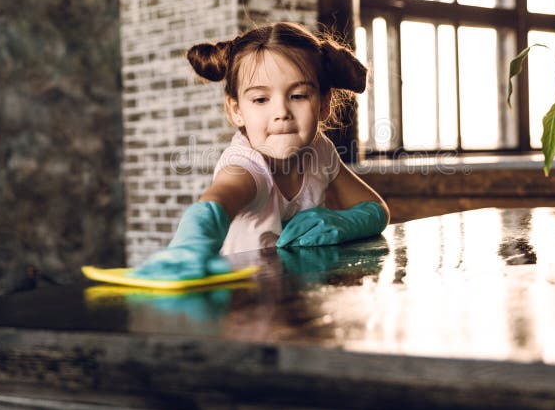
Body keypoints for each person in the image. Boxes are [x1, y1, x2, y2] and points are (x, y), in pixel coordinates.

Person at [130, 22, 390, 280]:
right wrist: (190, 243)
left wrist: (342, 224)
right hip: (246, 305)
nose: (281, 113)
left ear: (324, 104)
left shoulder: (320, 150)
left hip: (302, 298)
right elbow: (217, 201)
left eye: (298, 95)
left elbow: (376, 210)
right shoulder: (245, 165)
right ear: (236, 110)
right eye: (260, 99)